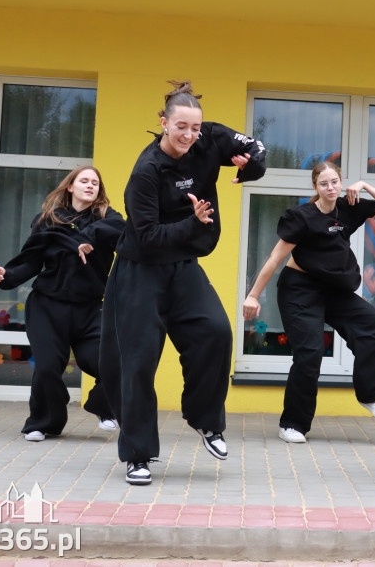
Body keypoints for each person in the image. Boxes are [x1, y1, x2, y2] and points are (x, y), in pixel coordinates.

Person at [99, 80, 267, 486]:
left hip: (183, 266)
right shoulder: (146, 172)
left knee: (215, 331)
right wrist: (191, 223)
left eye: (195, 128)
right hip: (140, 271)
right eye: (181, 128)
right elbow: (148, 236)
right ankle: (137, 455)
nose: (190, 136)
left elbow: (257, 149)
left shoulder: (209, 138)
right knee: (137, 362)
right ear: (163, 123)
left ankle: (206, 421)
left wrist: (250, 167)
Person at [242, 162, 375, 444]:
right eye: (324, 183)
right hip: (299, 290)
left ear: (341, 183)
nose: (331, 188)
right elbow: (275, 258)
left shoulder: (348, 207)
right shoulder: (301, 217)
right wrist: (253, 295)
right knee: (310, 352)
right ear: (315, 186)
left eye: (335, 182)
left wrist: (363, 185)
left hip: (334, 291)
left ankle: (371, 396)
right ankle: (293, 424)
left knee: (371, 323)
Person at [0, 166, 123, 442]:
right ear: (70, 187)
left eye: (95, 183)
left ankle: (103, 406)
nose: (90, 185)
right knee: (48, 367)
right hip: (48, 307)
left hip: (90, 310)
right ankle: (44, 421)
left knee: (110, 361)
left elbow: (123, 230)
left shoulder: (109, 218)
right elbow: (30, 261)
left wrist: (88, 236)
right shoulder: (48, 220)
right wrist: (6, 277)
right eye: (83, 181)